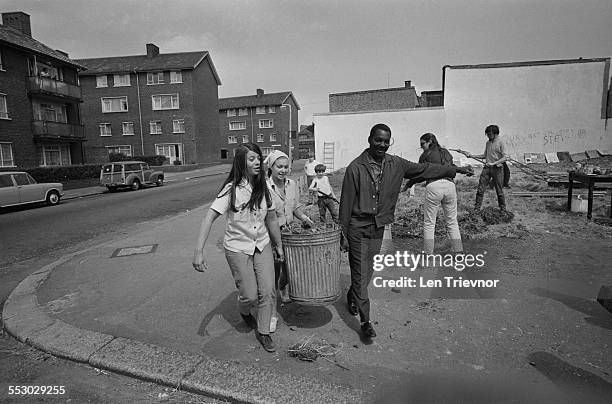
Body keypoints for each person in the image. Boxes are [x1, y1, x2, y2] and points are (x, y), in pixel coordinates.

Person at [339, 123, 474, 339]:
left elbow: (426, 169)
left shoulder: (396, 164)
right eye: (378, 140)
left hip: (379, 225)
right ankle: (365, 321)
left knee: (370, 270)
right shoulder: (355, 168)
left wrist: (455, 169)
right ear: (369, 139)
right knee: (360, 270)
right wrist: (342, 233)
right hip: (357, 226)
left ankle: (353, 295)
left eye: (386, 141)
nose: (382, 145)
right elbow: (345, 203)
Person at [192, 143, 283, 353]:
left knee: (268, 290)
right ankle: (244, 310)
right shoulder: (231, 189)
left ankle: (263, 331)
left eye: (258, 158)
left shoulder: (265, 188)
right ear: (242, 162)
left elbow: (271, 219)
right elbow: (209, 218)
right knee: (250, 295)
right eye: (252, 159)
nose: (257, 162)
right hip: (237, 247)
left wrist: (278, 245)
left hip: (262, 244)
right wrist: (199, 251)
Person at [264, 150, 315, 331]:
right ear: (271, 167)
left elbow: (295, 208)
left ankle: (283, 291)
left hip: (289, 233)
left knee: (288, 267)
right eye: (279, 166)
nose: (283, 170)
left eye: (286, 167)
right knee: (272, 274)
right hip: (270, 235)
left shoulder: (292, 184)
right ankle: (271, 313)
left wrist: (306, 219)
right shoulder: (264, 187)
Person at [404, 133, 466, 254]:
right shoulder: (446, 153)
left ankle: (428, 253)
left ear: (430, 141)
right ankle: (459, 252)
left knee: (429, 223)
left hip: (433, 186)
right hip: (450, 186)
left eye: (423, 144)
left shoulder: (425, 155)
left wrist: (409, 184)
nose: (422, 147)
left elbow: (420, 174)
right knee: (452, 221)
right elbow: (452, 168)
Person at [464, 125, 508, 211]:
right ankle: (476, 209)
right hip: (487, 169)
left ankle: (503, 210)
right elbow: (485, 155)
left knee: (499, 191)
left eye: (490, 134)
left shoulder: (501, 142)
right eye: (487, 134)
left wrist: (494, 163)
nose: (488, 136)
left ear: (495, 134)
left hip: (497, 169)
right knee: (480, 189)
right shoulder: (488, 143)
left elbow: (505, 158)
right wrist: (472, 156)